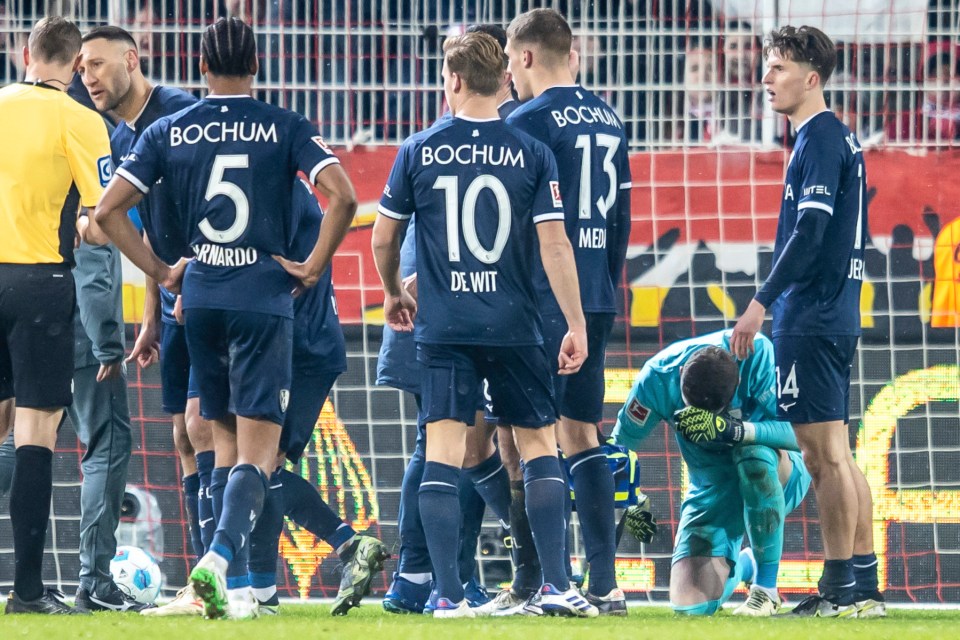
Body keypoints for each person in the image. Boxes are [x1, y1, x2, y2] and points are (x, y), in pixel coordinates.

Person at [94, 16, 358, 619]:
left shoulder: (168, 129)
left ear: (203, 68)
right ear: (257, 66)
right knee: (257, 457)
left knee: (216, 441)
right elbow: (342, 195)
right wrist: (313, 266)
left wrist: (163, 273)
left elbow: (109, 213)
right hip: (261, 298)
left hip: (201, 300)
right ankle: (217, 564)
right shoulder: (285, 126)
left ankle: (235, 591)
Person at [372, 31, 596, 619]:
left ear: (451, 81)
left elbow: (382, 236)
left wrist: (395, 291)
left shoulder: (419, 148)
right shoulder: (530, 151)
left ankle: (445, 594)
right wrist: (575, 322)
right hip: (515, 323)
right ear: (503, 81)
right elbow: (555, 247)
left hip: (445, 326)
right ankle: (555, 585)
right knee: (539, 446)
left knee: (443, 451)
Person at [730, 25, 884, 618]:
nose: (764, 79)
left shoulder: (819, 139)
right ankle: (863, 584)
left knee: (821, 458)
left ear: (811, 78)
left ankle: (841, 587)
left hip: (814, 314)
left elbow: (811, 231)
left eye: (777, 69)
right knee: (836, 454)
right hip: (833, 311)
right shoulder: (835, 140)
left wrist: (761, 301)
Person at [503, 7, 631, 615]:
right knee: (583, 433)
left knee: (524, 436)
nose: (508, 73)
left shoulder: (524, 120)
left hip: (542, 296)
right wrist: (604, 283)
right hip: (597, 292)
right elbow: (621, 218)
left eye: (509, 61)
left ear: (525, 57)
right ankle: (605, 582)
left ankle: (535, 582)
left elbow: (512, 224)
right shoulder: (609, 118)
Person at [77, 25, 204, 613]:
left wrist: (193, 280)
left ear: (133, 59)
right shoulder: (122, 134)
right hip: (173, 299)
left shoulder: (182, 114)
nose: (89, 77)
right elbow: (151, 229)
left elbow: (210, 212)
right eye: (81, 68)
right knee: (181, 433)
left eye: (98, 65)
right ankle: (204, 575)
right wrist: (151, 313)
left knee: (208, 431)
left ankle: (227, 573)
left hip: (208, 291)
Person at [0, 16, 113, 616]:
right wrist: (83, 222)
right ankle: (26, 591)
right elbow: (98, 219)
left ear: (25, 53)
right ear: (74, 67)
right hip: (39, 281)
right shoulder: (81, 119)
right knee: (34, 435)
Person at [245, 177, 388, 617]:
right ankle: (347, 546)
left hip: (297, 347)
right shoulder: (291, 186)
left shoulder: (272, 193)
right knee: (264, 466)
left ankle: (265, 594)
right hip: (310, 345)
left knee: (258, 465)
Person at [614, 330, 812, 616]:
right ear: (680, 372)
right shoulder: (657, 376)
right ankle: (747, 563)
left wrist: (738, 430)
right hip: (711, 489)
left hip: (778, 471)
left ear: (738, 384)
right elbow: (620, 449)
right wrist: (632, 499)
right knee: (690, 607)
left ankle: (765, 589)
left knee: (752, 456)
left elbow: (805, 433)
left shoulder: (757, 355)